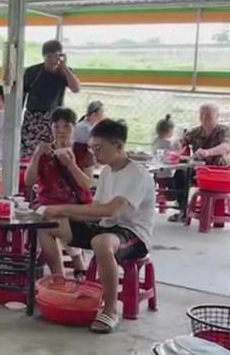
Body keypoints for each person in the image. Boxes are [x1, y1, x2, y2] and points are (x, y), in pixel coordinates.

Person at [37, 119, 155, 334]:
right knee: (47, 224)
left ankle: (110, 310)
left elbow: (112, 210)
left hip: (133, 233)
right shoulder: (108, 172)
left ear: (118, 146)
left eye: (99, 149)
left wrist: (65, 209)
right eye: (93, 149)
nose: (95, 155)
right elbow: (98, 208)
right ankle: (59, 282)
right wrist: (62, 214)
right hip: (106, 227)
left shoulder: (137, 174)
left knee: (101, 242)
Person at [25, 107, 96, 277]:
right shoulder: (44, 152)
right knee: (46, 218)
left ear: (74, 128)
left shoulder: (82, 151)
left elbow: (87, 185)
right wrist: (36, 156)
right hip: (48, 204)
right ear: (51, 128)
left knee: (49, 222)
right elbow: (29, 181)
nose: (61, 131)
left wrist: (71, 165)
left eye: (66, 126)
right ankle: (61, 273)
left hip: (77, 207)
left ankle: (60, 274)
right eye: (56, 126)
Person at [170, 103, 230, 222]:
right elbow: (181, 141)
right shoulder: (195, 132)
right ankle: (183, 209)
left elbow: (226, 146)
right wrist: (177, 144)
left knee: (221, 161)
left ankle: (215, 212)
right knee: (180, 173)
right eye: (202, 115)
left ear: (217, 116)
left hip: (218, 172)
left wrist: (208, 152)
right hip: (199, 171)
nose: (204, 118)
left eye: (208, 115)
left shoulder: (225, 130)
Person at [21, 40, 82, 157]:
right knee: (29, 152)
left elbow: (76, 89)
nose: (53, 60)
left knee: (50, 151)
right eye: (49, 56)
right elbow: (22, 93)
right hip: (33, 116)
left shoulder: (64, 72)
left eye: (57, 56)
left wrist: (64, 68)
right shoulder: (32, 71)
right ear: (44, 56)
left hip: (53, 117)